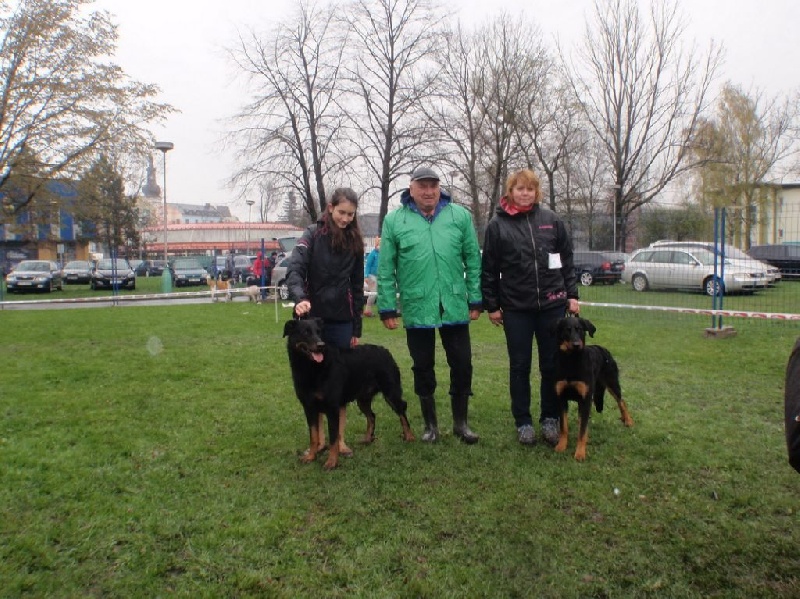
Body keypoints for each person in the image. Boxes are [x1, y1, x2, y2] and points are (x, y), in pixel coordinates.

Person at [378, 166, 482, 444]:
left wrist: (476, 298)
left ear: (440, 188)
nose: (428, 191)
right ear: (411, 189)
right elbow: (386, 267)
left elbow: (473, 260)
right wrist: (387, 307)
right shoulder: (394, 221)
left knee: (462, 364)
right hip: (417, 304)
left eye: (433, 186)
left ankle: (461, 423)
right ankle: (430, 426)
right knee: (422, 366)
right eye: (422, 186)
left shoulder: (460, 216)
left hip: (454, 304)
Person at [481, 168, 580, 447]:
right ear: (510, 191)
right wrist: (492, 305)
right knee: (520, 366)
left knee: (552, 365)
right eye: (520, 189)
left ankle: (551, 418)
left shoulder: (551, 220)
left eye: (530, 189)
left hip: (552, 305)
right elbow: (489, 269)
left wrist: (571, 294)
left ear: (537, 192)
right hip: (516, 308)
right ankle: (523, 422)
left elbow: (567, 260)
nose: (525, 193)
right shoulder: (496, 226)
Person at [287, 187, 365, 351]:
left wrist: (356, 329)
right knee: (312, 373)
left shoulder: (355, 242)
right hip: (312, 320)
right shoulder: (312, 234)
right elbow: (295, 269)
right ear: (331, 208)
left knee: (340, 374)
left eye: (350, 214)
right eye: (341, 212)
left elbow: (357, 287)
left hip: (343, 321)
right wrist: (300, 299)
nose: (345, 219)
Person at [363, 237, 380, 317]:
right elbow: (368, 265)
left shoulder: (382, 254)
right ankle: (367, 310)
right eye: (378, 244)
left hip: (378, 276)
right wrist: (366, 276)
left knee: (372, 292)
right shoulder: (372, 254)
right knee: (373, 293)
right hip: (371, 276)